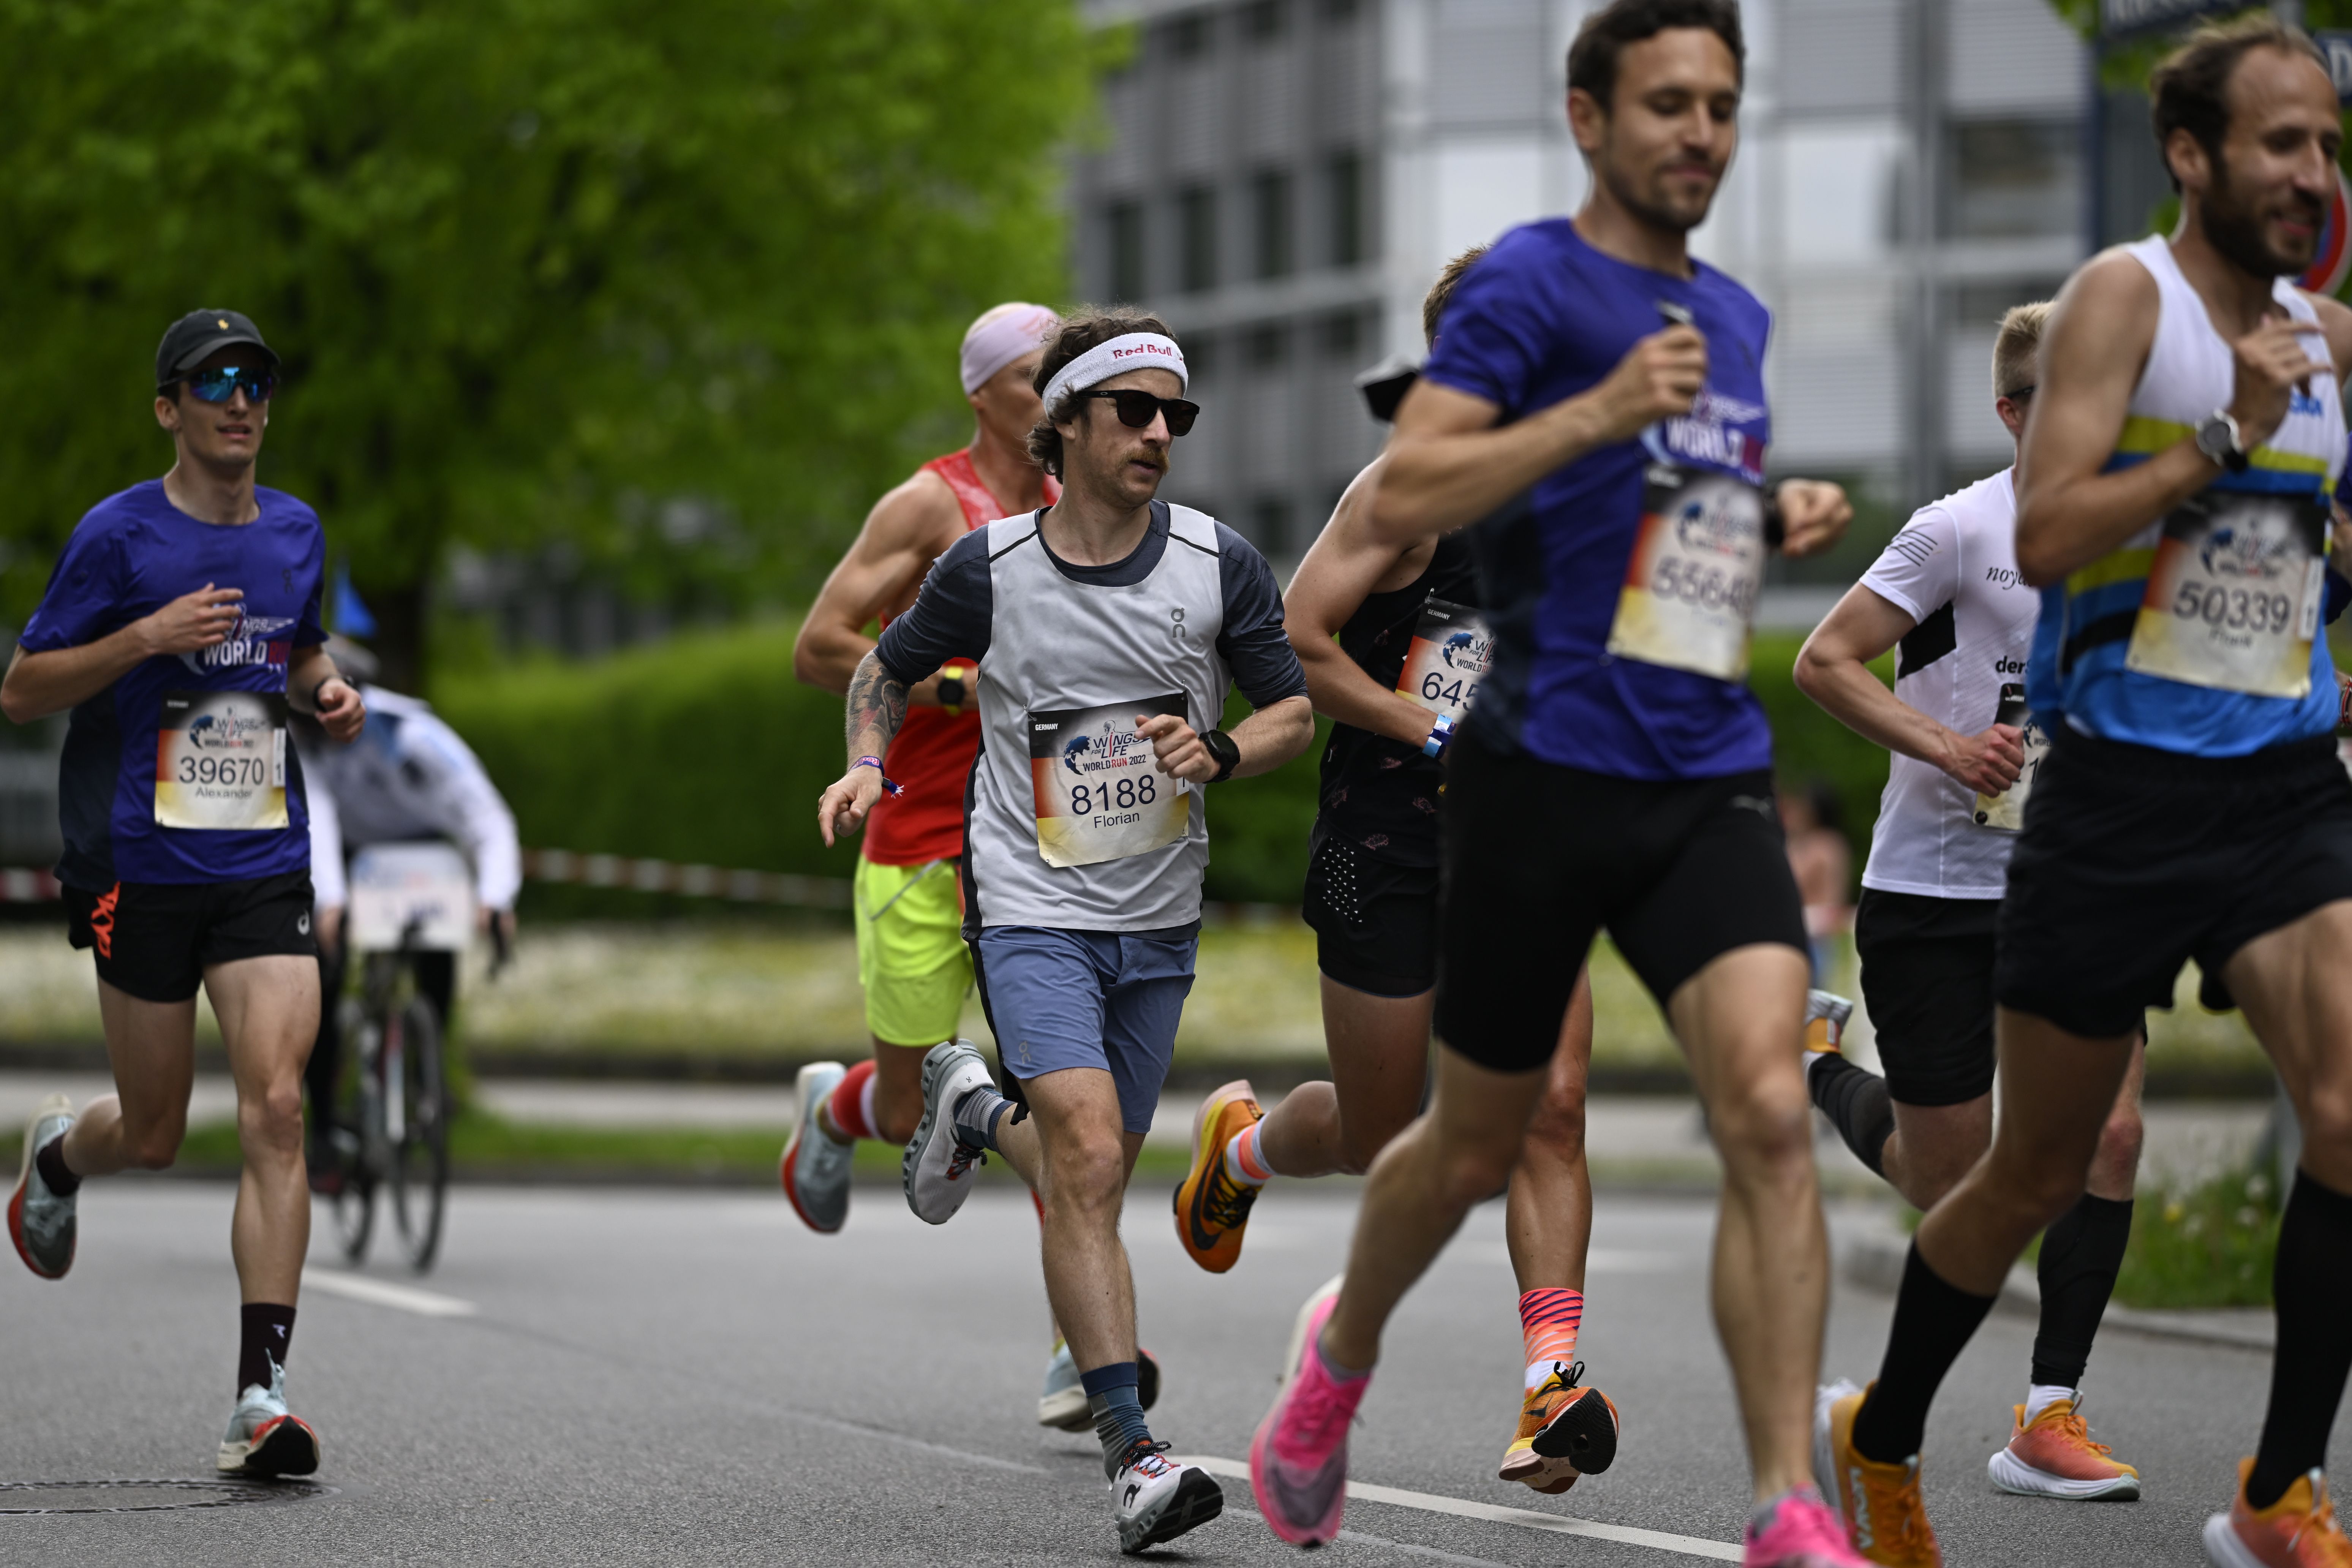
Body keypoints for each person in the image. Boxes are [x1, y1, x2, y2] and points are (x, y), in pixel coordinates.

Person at [1245, 5, 1867, 1563]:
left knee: (1768, 1113)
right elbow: (1414, 481)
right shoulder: (1524, 286)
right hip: (1533, 778)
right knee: (1460, 1144)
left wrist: (1757, 515)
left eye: (1721, 104)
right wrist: (1597, 408)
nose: (1699, 132)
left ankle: (1786, 1501)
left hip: (1702, 769)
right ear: (1589, 118)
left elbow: (1658, 546)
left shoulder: (1733, 316)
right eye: (1667, 102)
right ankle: (1335, 1360)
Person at [1812, 20, 2352, 1567]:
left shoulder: (2328, 337)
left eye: (2328, 145)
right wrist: (2224, 436)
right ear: (2192, 154)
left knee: (2344, 1114)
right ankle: (1884, 1430)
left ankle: (2277, 1490)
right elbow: (2048, 535)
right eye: (2280, 143)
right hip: (2112, 798)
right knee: (2026, 1170)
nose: (2312, 174)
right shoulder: (2129, 300)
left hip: (2280, 789)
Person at [817, 311, 1316, 1552]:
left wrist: (1225, 749)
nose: (1159, 434)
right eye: (1134, 411)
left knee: (1096, 1164)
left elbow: (1295, 710)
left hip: (1159, 916)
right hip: (1029, 905)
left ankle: (972, 1110)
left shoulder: (1219, 561)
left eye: (1175, 415)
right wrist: (870, 763)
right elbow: (878, 667)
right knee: (1087, 1157)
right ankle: (1134, 1454)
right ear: (1069, 424)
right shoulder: (985, 565)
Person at [1172, 246, 1618, 1499]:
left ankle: (1551, 1385)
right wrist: (1429, 727)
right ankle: (1244, 1148)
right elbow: (1300, 642)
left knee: (1553, 1106)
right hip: (1389, 839)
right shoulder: (1409, 489)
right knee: (1386, 1133)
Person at [1793, 302, 2149, 1509]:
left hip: (2081, 884)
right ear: (2012, 412)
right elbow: (1824, 659)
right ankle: (1821, 1069)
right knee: (1953, 1177)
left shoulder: (2139, 530)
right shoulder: (1956, 530)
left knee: (2107, 1139)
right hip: (1936, 888)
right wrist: (1948, 746)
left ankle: (2049, 1415)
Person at [2, 309, 364, 1477]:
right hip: (135, 864)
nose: (240, 400)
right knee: (154, 1133)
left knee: (277, 1109)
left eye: (255, 380)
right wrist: (146, 636)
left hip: (260, 860)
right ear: (169, 409)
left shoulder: (297, 530)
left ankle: (262, 1398)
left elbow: (297, 650)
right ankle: (62, 1158)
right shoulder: (117, 535)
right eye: (213, 382)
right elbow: (23, 688)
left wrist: (326, 689)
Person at [784, 302, 1059, 1235]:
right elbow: (820, 645)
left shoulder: (1079, 506)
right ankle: (834, 1108)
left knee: (1063, 1097)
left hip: (1038, 838)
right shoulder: (928, 505)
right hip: (922, 832)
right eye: (1030, 376)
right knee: (908, 1112)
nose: (1053, 393)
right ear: (981, 394)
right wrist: (954, 688)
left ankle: (1086, 1311)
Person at [295, 636, 521, 1187]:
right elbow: (316, 821)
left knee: (435, 952)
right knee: (324, 974)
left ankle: (427, 1069)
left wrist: (495, 897)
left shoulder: (415, 736)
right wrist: (331, 904)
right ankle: (323, 1127)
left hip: (423, 850)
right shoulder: (303, 743)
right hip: (352, 855)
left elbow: (485, 816)